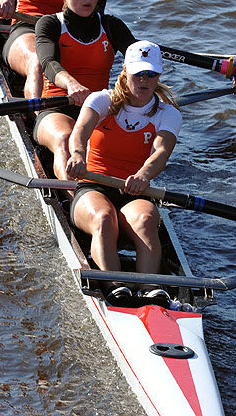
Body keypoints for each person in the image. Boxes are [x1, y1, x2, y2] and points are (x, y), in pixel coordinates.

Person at [65, 41, 181, 305]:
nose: (144, 80)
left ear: (159, 75)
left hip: (135, 189)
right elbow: (80, 132)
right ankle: (115, 287)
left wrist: (143, 175)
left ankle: (151, 289)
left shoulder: (168, 113)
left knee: (146, 221)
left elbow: (161, 153)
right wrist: (78, 155)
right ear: (125, 70)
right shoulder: (101, 100)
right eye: (138, 73)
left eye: (151, 74)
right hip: (93, 184)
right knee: (105, 219)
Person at [34, 0, 136, 181]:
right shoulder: (49, 24)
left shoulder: (112, 25)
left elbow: (137, 59)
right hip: (58, 105)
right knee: (65, 138)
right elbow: (48, 63)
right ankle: (73, 195)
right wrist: (71, 84)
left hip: (97, 108)